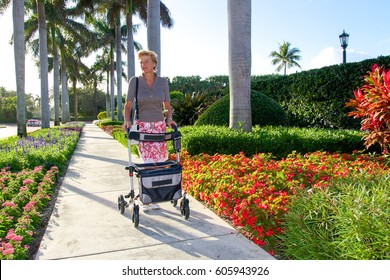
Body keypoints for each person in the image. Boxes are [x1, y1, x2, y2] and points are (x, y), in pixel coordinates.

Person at [122, 50, 176, 211]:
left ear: (154, 64)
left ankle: (155, 195)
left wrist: (169, 119)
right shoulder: (135, 82)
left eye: (146, 61)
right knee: (147, 163)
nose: (143, 65)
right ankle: (147, 199)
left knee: (159, 163)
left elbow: (167, 106)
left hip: (159, 127)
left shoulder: (163, 82)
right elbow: (128, 105)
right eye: (141, 62)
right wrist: (127, 121)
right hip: (144, 127)